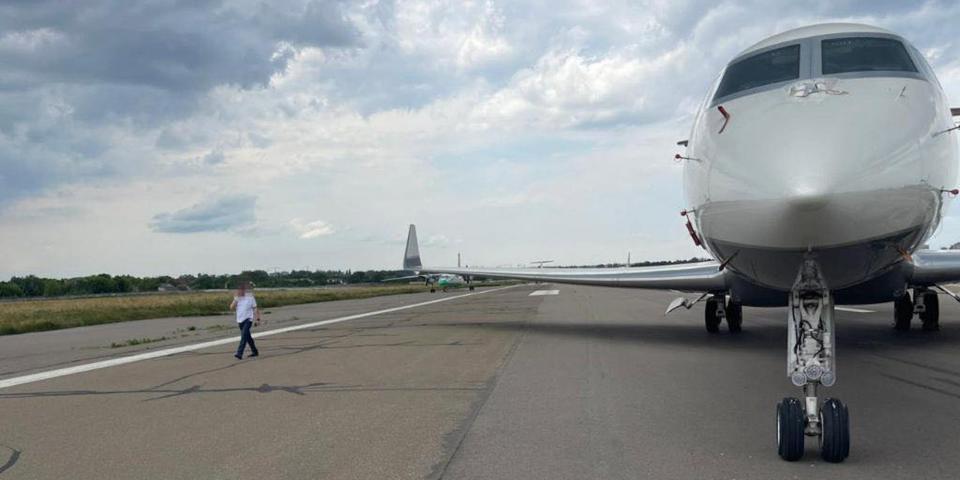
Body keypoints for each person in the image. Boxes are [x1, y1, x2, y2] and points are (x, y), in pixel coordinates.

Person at [229, 282, 260, 359]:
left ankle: (239, 353)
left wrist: (257, 319)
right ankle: (255, 351)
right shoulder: (237, 298)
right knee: (248, 337)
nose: (240, 291)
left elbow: (255, 308)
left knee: (243, 335)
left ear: (244, 290)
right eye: (239, 290)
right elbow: (231, 307)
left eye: (242, 290)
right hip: (240, 320)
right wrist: (235, 300)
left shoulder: (250, 298)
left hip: (248, 319)